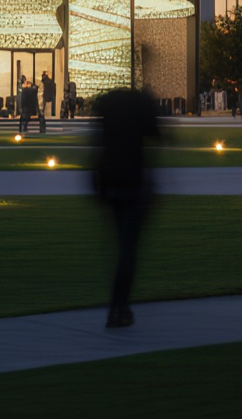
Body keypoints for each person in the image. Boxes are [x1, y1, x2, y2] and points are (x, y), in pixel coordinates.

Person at [90, 86, 160, 328]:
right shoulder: (140, 108)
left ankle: (118, 307)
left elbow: (95, 146)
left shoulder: (108, 110)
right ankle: (118, 307)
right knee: (128, 249)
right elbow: (158, 138)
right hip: (131, 183)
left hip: (109, 183)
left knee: (121, 245)